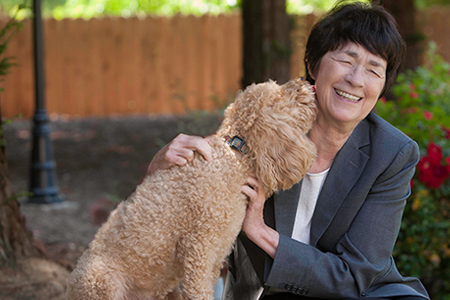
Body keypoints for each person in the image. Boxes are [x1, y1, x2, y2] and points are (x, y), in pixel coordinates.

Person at [147, 1, 430, 299]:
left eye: (374, 70)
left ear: (383, 86)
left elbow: (354, 275)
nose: (356, 80)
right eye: (347, 60)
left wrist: (260, 231)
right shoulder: (265, 121)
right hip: (270, 291)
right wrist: (159, 169)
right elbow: (200, 191)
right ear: (312, 64)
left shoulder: (392, 153)